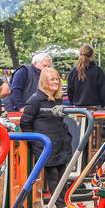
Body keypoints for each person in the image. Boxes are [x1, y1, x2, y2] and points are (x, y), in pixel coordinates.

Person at [19, 65, 74, 196]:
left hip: (60, 142)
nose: (55, 82)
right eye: (51, 79)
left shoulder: (58, 99)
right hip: (46, 144)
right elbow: (25, 122)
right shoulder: (36, 99)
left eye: (57, 79)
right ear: (44, 82)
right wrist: (34, 141)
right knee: (53, 175)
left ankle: (64, 203)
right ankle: (60, 206)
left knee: (63, 174)